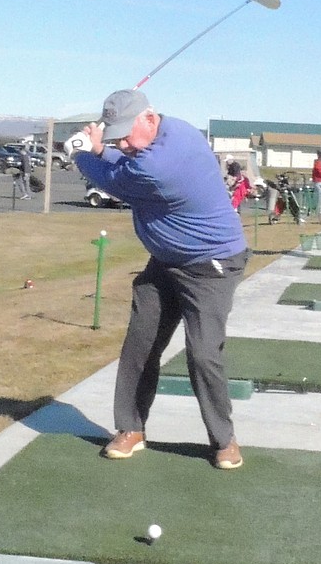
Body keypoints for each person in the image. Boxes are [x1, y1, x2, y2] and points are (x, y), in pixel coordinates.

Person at [72, 89, 248, 470]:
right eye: (115, 134)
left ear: (149, 118)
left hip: (211, 265)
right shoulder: (166, 133)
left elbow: (110, 177)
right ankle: (131, 428)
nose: (122, 143)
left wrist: (84, 151)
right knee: (141, 342)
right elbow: (121, 156)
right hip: (166, 261)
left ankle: (224, 440)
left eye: (125, 134)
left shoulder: (161, 163)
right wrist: (105, 147)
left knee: (202, 352)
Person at [310, 152, 321, 216]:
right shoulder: (318, 164)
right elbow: (320, 172)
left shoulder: (317, 164)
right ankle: (320, 210)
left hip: (318, 181)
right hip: (319, 182)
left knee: (319, 196)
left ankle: (319, 209)